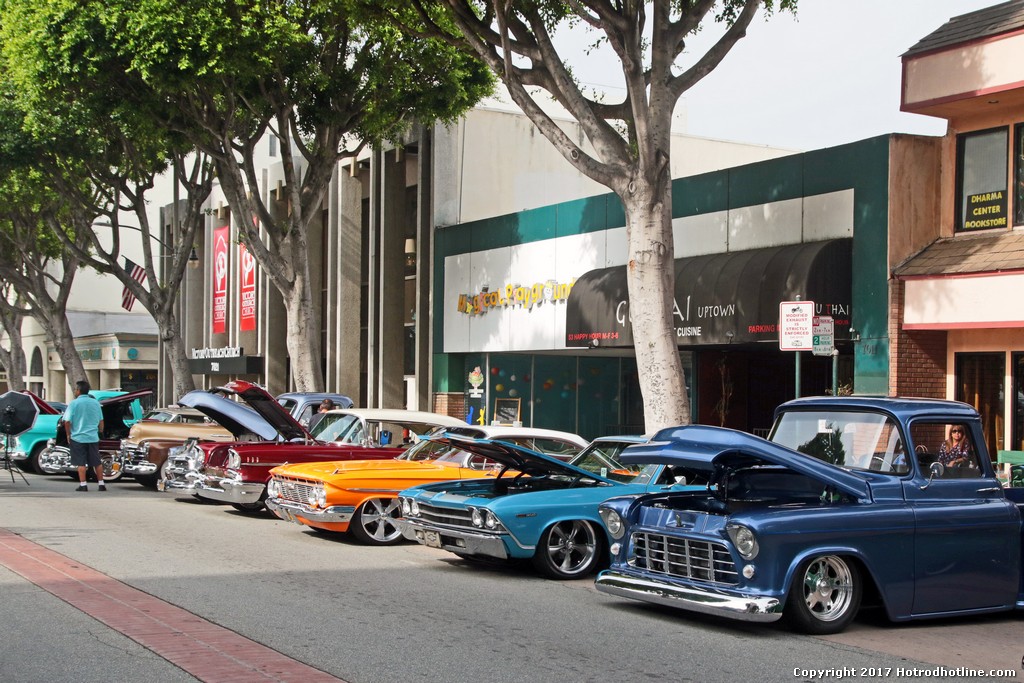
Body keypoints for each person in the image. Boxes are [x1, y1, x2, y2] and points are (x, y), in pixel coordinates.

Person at [64, 380, 105, 491]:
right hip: (92, 437)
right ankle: (101, 484)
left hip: (78, 437)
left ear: (78, 390)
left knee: (81, 462)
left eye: (76, 389)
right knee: (97, 461)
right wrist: (100, 431)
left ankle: (83, 485)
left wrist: (68, 434)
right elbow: (101, 421)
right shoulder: (95, 403)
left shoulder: (74, 403)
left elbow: (67, 421)